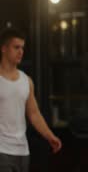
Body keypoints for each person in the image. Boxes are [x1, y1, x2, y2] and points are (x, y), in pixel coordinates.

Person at [0, 27, 62, 172]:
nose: (21, 51)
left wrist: (50, 136)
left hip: (22, 151)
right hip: (1, 150)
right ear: (4, 48)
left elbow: (34, 114)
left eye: (22, 48)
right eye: (16, 47)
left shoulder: (26, 80)